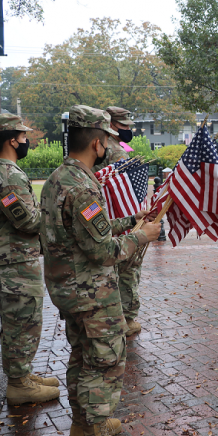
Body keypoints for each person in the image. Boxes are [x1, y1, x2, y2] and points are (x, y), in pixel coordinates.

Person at [40, 105, 160, 436]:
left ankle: (83, 426)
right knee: (105, 361)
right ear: (96, 143)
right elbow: (104, 251)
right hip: (90, 292)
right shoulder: (82, 188)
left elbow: (86, 233)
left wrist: (132, 218)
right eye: (107, 139)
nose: (109, 147)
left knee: (82, 357)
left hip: (69, 288)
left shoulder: (58, 178)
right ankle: (95, 435)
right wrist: (142, 235)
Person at [0, 114, 61, 406]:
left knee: (16, 319)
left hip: (9, 258)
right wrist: (53, 213)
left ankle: (21, 374)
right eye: (24, 137)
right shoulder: (8, 176)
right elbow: (27, 222)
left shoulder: (1, 171)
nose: (26, 141)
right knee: (23, 320)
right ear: (12, 139)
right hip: (12, 260)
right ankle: (19, 383)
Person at [92, 106, 144, 336]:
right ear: (112, 125)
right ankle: (128, 318)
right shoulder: (116, 152)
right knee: (129, 270)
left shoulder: (101, 145)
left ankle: (116, 314)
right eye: (124, 126)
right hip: (120, 220)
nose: (128, 130)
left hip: (105, 219)